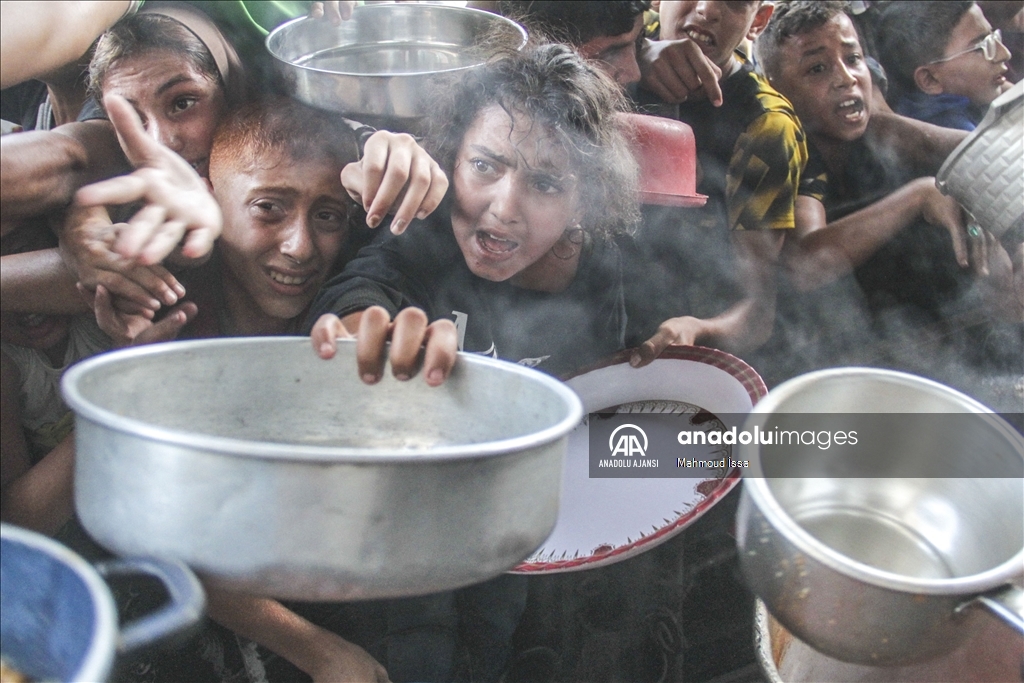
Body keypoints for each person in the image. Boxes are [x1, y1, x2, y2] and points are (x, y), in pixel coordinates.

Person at [754, 0, 1022, 380]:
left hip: (943, 354)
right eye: (817, 68)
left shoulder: (882, 142)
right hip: (839, 369)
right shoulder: (791, 152)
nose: (845, 78)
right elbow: (803, 263)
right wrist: (918, 196)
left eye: (854, 59)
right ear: (775, 89)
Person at [630, 0, 801, 357]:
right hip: (569, 303)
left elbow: (757, 310)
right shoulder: (619, 38)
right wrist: (636, 54)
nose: (707, 9)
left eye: (736, 2)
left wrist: (698, 329)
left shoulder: (763, 126)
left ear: (759, 21)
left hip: (670, 335)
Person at [876, 1, 1013, 130]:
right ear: (930, 80)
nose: (1004, 54)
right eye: (980, 48)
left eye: (993, 37)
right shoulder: (948, 125)